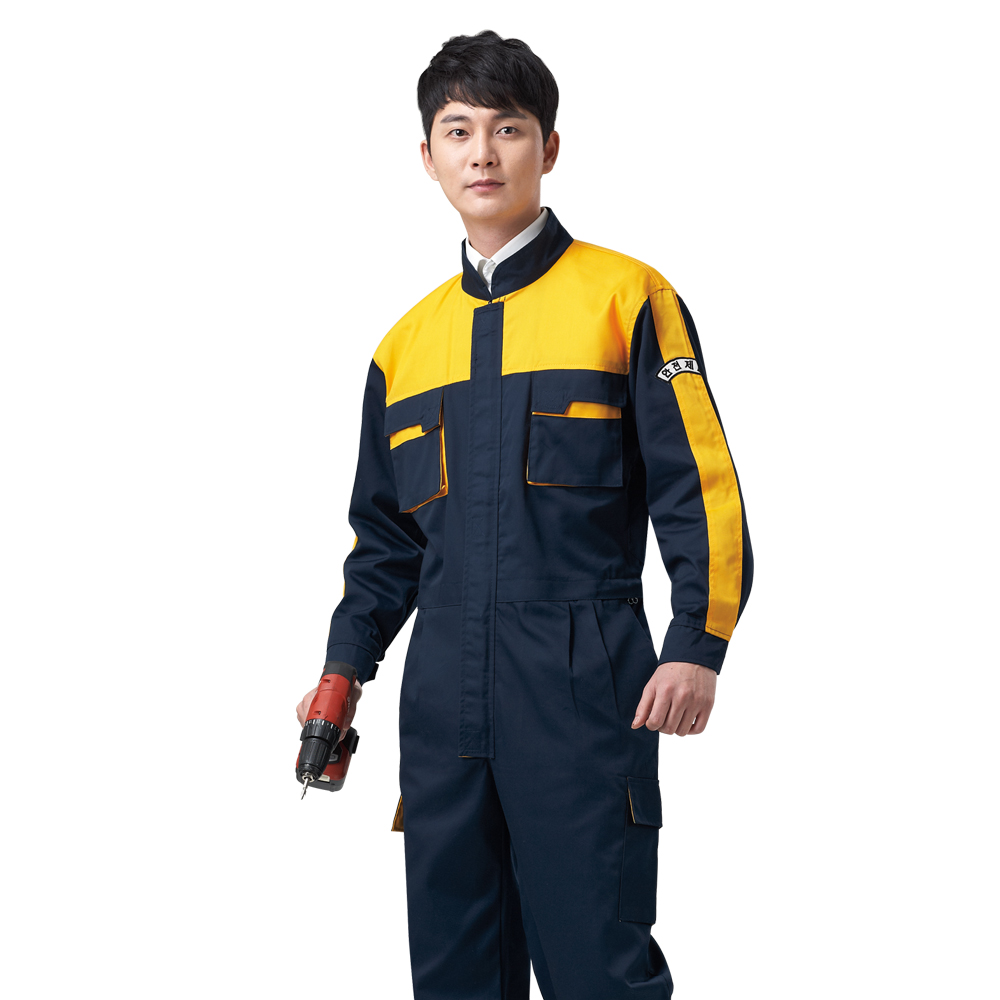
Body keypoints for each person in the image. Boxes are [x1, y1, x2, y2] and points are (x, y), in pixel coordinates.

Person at [295, 29, 752, 999]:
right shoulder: (403, 346)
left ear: (549, 147)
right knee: (455, 973)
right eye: (457, 131)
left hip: (582, 682)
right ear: (427, 157)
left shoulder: (628, 297)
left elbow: (701, 485)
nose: (483, 153)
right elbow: (384, 544)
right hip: (441, 697)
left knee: (597, 968)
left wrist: (697, 644)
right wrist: (343, 670)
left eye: (507, 129)